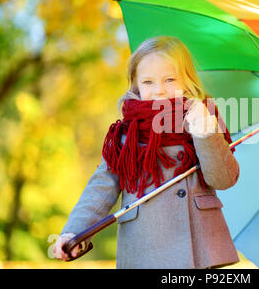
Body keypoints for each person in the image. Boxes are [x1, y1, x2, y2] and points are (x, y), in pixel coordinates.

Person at [52, 35, 240, 269]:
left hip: (197, 248)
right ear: (136, 85)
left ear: (187, 80)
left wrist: (205, 132)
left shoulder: (201, 118)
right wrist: (75, 231)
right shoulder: (125, 134)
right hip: (145, 246)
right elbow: (101, 188)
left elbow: (222, 179)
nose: (159, 90)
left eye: (170, 79)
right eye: (148, 82)